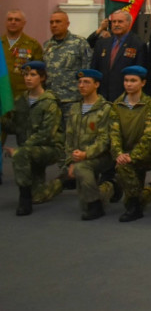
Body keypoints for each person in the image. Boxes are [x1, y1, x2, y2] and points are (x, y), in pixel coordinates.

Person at [1, 61, 63, 215]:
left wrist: (21, 149)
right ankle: (63, 181)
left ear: (42, 78)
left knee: (20, 155)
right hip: (29, 151)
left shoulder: (50, 102)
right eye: (26, 75)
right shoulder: (20, 101)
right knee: (38, 196)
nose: (28, 78)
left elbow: (46, 133)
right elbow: (14, 127)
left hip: (50, 149)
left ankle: (24, 200)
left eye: (33, 75)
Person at [55, 69, 115, 220]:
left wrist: (85, 154)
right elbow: (69, 138)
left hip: (102, 156)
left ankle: (96, 206)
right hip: (79, 157)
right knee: (83, 203)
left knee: (82, 168)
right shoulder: (75, 108)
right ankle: (111, 188)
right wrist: (70, 161)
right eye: (80, 82)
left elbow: (104, 139)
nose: (81, 85)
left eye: (86, 82)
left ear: (97, 84)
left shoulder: (106, 108)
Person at [109, 65, 151, 222]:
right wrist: (118, 153)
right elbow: (114, 133)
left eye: (133, 80)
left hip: (145, 154)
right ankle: (137, 201)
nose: (128, 84)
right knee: (123, 166)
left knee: (125, 168)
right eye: (126, 80)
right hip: (124, 154)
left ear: (143, 83)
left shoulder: (149, 104)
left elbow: (149, 135)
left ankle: (137, 203)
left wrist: (133, 155)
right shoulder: (117, 104)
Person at [43, 10, 93, 125]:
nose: (54, 25)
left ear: (67, 24)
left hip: (72, 100)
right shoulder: (47, 45)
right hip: (51, 100)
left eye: (58, 22)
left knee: (72, 132)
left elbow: (88, 70)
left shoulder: (79, 43)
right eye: (51, 22)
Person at [90, 10, 147, 102]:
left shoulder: (138, 44)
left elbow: (140, 74)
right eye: (114, 22)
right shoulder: (102, 43)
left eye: (120, 22)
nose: (116, 24)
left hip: (125, 97)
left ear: (129, 23)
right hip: (102, 97)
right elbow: (94, 69)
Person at [3, 9, 44, 99]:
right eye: (10, 19)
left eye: (17, 20)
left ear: (23, 23)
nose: (13, 22)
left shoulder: (32, 44)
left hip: (23, 96)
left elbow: (40, 73)